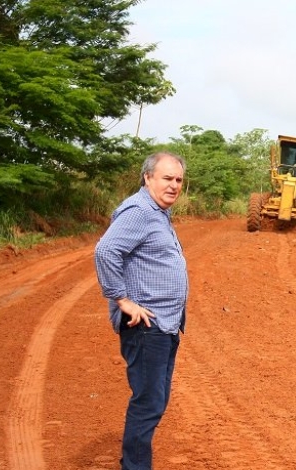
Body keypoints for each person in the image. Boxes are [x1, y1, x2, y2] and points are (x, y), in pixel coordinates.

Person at [94, 152, 189, 470]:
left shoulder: (158, 211)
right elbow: (106, 250)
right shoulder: (139, 210)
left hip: (163, 325)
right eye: (167, 178)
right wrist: (122, 300)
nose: (174, 185)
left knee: (155, 400)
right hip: (146, 325)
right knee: (148, 402)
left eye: (178, 180)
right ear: (148, 177)